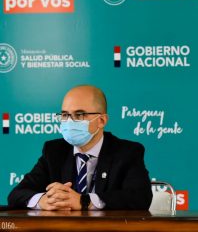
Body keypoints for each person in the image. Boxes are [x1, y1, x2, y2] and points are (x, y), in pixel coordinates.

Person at [8, 85, 153, 210]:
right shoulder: (54, 151)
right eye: (65, 115)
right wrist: (43, 201)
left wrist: (84, 201)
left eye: (79, 115)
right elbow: (16, 194)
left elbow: (141, 197)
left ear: (101, 120)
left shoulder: (127, 152)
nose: (70, 121)